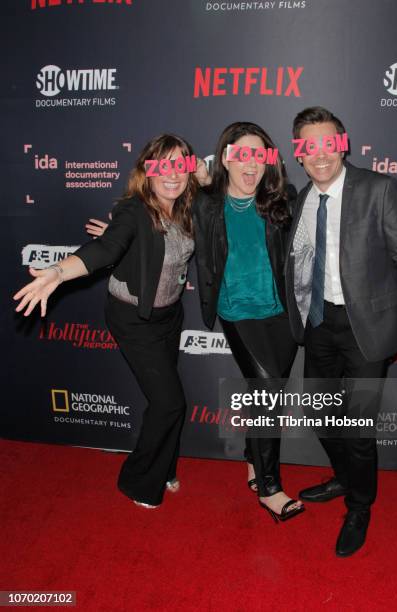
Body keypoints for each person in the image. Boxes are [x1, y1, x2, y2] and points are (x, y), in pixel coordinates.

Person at [285, 106, 397, 554]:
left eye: (328, 143)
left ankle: (359, 506)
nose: (319, 155)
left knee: (356, 426)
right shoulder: (302, 199)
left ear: (343, 143)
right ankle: (344, 476)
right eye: (308, 146)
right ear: (298, 153)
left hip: (366, 327)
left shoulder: (379, 189)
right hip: (320, 323)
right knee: (319, 415)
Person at [14, 134, 202, 509]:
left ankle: (163, 466)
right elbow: (105, 249)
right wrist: (58, 272)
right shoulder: (134, 210)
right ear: (146, 170)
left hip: (169, 315)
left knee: (163, 400)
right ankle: (137, 481)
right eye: (163, 164)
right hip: (133, 318)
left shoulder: (185, 207)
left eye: (180, 164)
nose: (172, 173)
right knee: (170, 403)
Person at [192, 122, 304, 522]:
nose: (251, 164)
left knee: (265, 399)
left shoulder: (282, 198)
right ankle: (270, 489)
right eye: (242, 154)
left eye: (260, 155)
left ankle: (252, 460)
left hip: (282, 314)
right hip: (238, 313)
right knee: (269, 398)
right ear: (226, 157)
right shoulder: (205, 203)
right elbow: (159, 207)